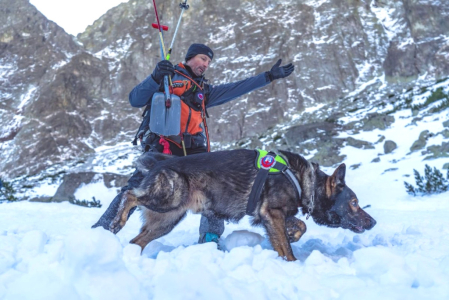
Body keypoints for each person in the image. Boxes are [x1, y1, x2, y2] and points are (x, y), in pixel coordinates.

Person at [92, 43, 294, 246]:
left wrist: (268, 76)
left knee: (215, 188)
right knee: (136, 187)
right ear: (189, 58)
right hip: (163, 147)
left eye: (208, 61)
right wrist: (155, 77)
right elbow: (135, 99)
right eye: (202, 59)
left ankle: (210, 237)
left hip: (195, 152)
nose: (205, 64)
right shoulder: (166, 78)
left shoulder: (204, 91)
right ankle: (101, 233)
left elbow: (236, 88)